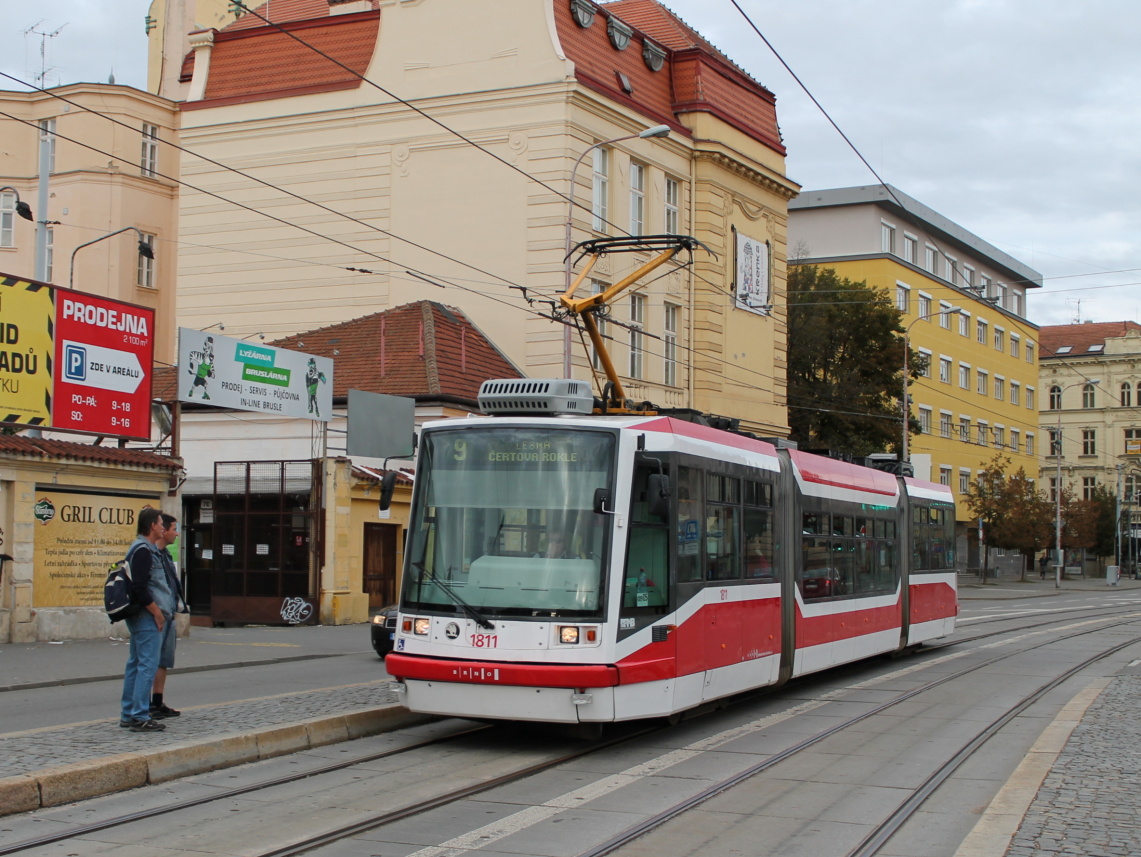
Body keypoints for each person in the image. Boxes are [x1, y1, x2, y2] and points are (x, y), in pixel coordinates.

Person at [119, 508, 175, 732]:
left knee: (135, 664)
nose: (163, 527)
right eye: (161, 523)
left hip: (141, 616)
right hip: (146, 616)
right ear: (152, 526)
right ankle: (140, 715)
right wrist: (157, 612)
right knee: (147, 665)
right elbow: (140, 588)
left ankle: (128, 713)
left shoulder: (142, 548)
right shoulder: (143, 550)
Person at [150, 513, 187, 721]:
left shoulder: (166, 555)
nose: (176, 534)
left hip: (169, 614)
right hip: (157, 616)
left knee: (164, 660)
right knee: (151, 660)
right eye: (174, 529)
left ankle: (157, 701)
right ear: (162, 530)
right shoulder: (150, 553)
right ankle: (143, 705)